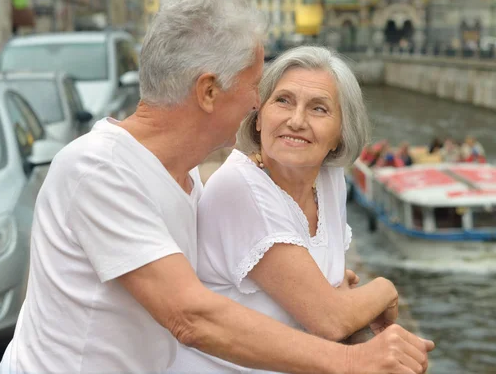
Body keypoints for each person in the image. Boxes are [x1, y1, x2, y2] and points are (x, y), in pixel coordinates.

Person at [0, 0, 433, 374]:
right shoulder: (99, 169)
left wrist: (329, 287)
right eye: (255, 85)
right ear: (208, 92)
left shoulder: (183, 174)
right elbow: (192, 317)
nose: (258, 101)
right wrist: (352, 360)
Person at [168, 46, 433, 374]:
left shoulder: (329, 178)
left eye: (319, 109)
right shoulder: (241, 189)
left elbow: (332, 298)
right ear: (259, 116)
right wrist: (385, 289)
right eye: (283, 101)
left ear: (339, 134)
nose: (296, 121)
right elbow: (331, 320)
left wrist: (337, 298)